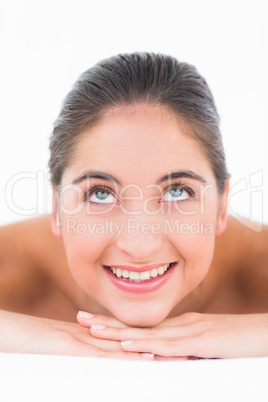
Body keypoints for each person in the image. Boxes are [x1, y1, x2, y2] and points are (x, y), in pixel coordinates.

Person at [0, 53, 268, 360]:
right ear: (57, 210)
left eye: (178, 192)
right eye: (100, 194)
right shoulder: (13, 264)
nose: (139, 247)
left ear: (221, 207)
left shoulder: (259, 265)